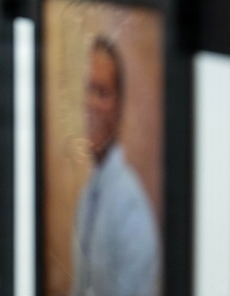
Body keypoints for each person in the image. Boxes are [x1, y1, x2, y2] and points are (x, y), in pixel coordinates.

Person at [70, 37, 159, 296]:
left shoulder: (131, 209)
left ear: (119, 107)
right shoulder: (87, 198)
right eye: (89, 89)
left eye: (102, 93)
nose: (91, 104)